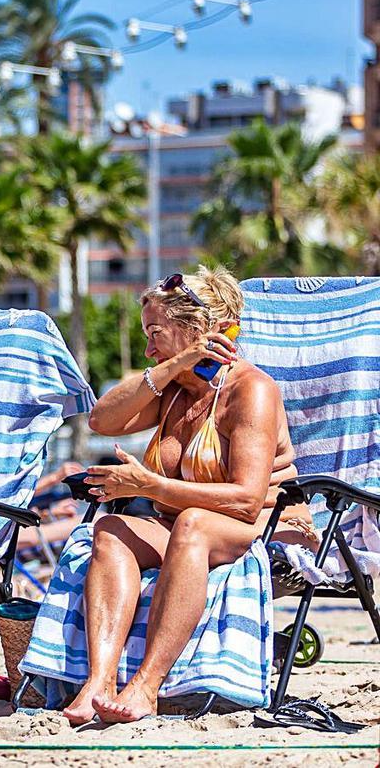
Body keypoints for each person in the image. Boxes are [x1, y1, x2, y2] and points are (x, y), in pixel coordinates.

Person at [63, 266, 318, 725]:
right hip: (186, 528)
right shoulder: (175, 391)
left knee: (193, 523)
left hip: (267, 526)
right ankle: (99, 681)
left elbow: (246, 500)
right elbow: (101, 421)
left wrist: (148, 485)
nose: (148, 348)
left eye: (155, 334)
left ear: (200, 329)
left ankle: (147, 686)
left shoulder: (250, 391)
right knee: (113, 529)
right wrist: (172, 365)